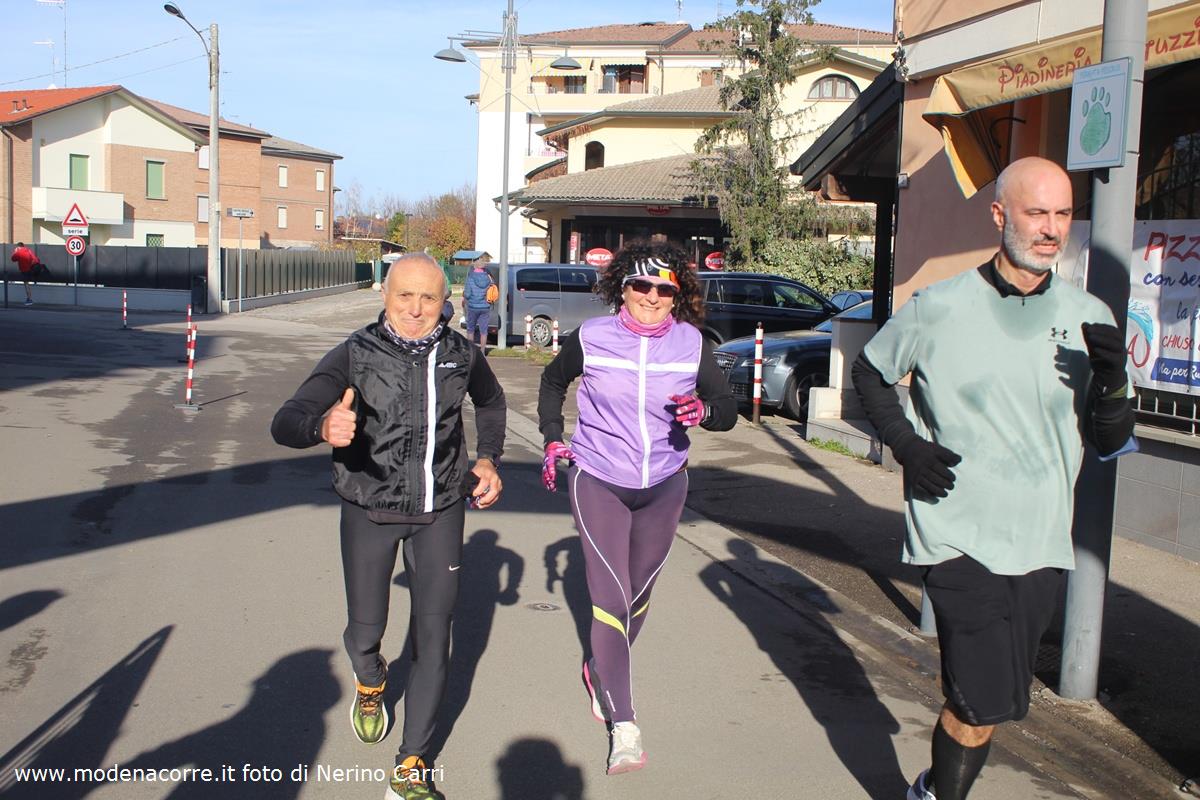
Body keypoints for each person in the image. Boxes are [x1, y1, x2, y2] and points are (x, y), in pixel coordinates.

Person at [850, 157, 1136, 800]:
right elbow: (870, 371)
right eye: (1037, 213)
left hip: (1039, 537)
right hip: (955, 527)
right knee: (979, 696)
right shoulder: (940, 305)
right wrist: (906, 446)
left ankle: (930, 786)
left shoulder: (1089, 316)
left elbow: (1111, 440)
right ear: (1000, 215)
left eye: (1063, 214)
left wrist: (1114, 382)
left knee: (992, 705)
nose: (1052, 229)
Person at [271, 252, 506, 800]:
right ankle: (371, 680)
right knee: (364, 633)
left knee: (434, 638)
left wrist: (489, 459)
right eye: (405, 295)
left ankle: (411, 765)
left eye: (428, 298)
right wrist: (321, 426)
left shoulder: (461, 354)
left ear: (445, 302)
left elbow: (492, 403)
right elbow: (285, 421)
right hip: (369, 509)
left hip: (440, 509)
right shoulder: (355, 353)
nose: (416, 309)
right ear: (384, 294)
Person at [537, 241, 736, 775]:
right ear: (622, 288)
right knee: (610, 598)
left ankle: (598, 668)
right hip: (598, 478)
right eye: (641, 285)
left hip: (664, 485)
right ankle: (624, 726)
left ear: (677, 294)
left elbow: (727, 409)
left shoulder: (692, 344)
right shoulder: (593, 337)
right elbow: (553, 382)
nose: (652, 296)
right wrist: (553, 437)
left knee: (638, 596)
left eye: (664, 289)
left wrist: (704, 411)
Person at [461, 261, 494, 351]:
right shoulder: (489, 278)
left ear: (475, 267)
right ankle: (482, 351)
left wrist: (465, 295)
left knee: (470, 329)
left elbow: (467, 294)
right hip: (485, 307)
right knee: (484, 331)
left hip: (472, 307)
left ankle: (471, 350)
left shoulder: (470, 278)